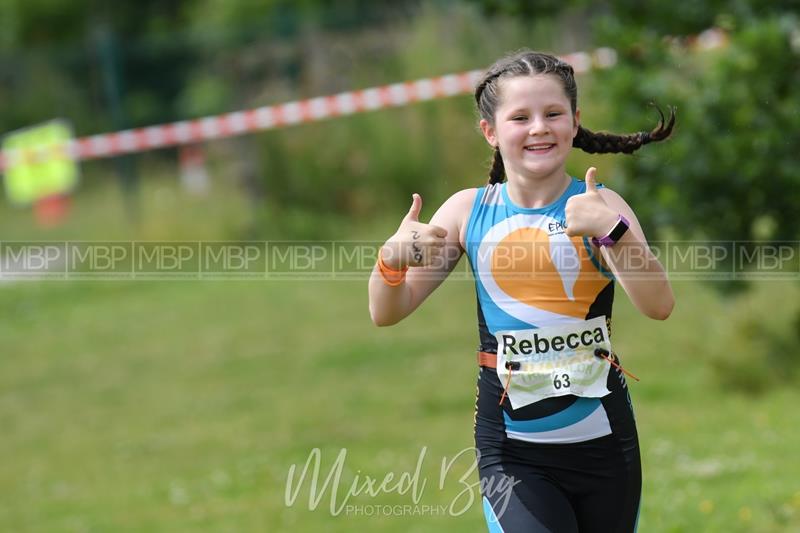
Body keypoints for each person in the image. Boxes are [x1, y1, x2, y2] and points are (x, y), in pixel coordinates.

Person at [368, 49, 675, 533]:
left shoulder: (602, 206)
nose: (539, 128)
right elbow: (388, 310)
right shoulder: (469, 211)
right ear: (491, 131)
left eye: (553, 114)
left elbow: (659, 305)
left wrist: (612, 233)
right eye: (520, 117)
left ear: (575, 123)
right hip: (512, 450)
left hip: (606, 445)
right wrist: (389, 261)